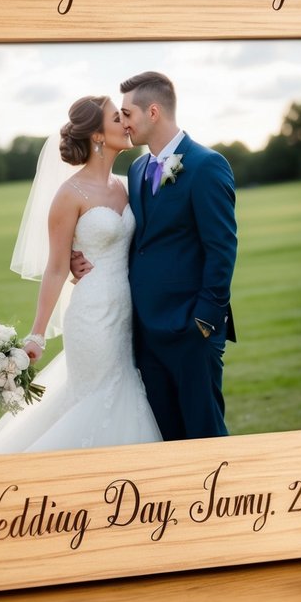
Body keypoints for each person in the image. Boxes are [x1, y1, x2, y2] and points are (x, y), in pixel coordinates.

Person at [0, 95, 162, 457]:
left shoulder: (129, 184)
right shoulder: (69, 194)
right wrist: (37, 334)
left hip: (131, 314)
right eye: (118, 118)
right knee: (102, 399)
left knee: (127, 393)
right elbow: (54, 266)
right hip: (93, 317)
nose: (127, 123)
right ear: (98, 135)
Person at [73, 71, 237, 441]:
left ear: (152, 112)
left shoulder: (206, 165)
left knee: (204, 434)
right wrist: (75, 256)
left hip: (190, 329)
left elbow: (222, 248)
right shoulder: (136, 168)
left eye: (127, 114)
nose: (124, 123)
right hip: (144, 332)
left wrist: (204, 322)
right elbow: (128, 236)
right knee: (165, 437)